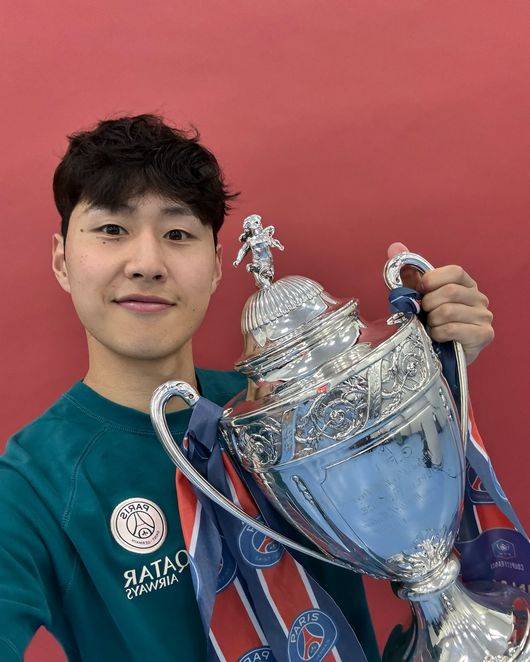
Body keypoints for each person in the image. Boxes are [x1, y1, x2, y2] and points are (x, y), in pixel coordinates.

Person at [0, 114, 495, 661]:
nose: (147, 264)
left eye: (178, 234)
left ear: (216, 267)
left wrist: (437, 377)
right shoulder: (32, 484)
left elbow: (414, 526)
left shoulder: (301, 409)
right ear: (62, 260)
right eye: (112, 229)